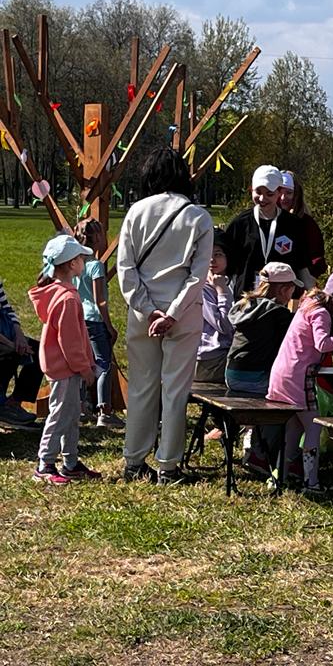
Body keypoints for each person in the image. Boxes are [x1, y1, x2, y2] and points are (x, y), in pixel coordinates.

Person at [118, 146, 213, 485]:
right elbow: (198, 276)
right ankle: (168, 466)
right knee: (175, 390)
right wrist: (171, 313)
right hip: (183, 313)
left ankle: (133, 460)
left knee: (142, 386)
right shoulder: (199, 217)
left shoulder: (135, 212)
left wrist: (147, 308)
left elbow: (125, 269)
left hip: (144, 313)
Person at [267, 286, 333, 494]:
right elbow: (322, 344)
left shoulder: (307, 308)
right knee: (313, 426)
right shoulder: (321, 312)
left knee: (294, 428)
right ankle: (311, 482)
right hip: (299, 378)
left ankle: (277, 476)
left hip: (283, 374)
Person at [29, 234, 99, 484]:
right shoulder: (68, 298)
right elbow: (69, 342)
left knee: (71, 414)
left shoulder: (60, 292)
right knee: (60, 414)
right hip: (66, 368)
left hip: (67, 367)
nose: (84, 261)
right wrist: (85, 368)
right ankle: (45, 464)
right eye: (81, 258)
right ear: (72, 264)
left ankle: (70, 462)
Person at [224, 165, 314, 299]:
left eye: (269, 194)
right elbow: (227, 267)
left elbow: (302, 268)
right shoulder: (240, 224)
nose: (262, 198)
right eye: (258, 192)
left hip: (282, 301)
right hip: (247, 300)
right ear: (251, 190)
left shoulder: (293, 225)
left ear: (279, 192)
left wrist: (314, 295)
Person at [72, 218, 123, 429]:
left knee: (85, 363)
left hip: (79, 319)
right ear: (99, 238)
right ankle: (105, 411)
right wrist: (109, 326)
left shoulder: (75, 264)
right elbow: (99, 300)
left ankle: (82, 406)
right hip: (95, 320)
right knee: (103, 365)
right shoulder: (95, 266)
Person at [225, 263, 297, 396]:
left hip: (231, 374)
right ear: (283, 290)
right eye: (293, 289)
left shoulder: (245, 304)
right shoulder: (278, 313)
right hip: (255, 378)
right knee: (295, 389)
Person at [0, 278, 43, 428]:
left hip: (6, 333)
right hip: (3, 339)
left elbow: (7, 309)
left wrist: (19, 337)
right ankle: (2, 406)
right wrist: (11, 345)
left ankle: (14, 402)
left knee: (38, 351)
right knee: (10, 354)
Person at [195, 229, 235, 384]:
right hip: (207, 360)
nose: (212, 260)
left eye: (218, 254)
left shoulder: (231, 282)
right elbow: (224, 325)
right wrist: (222, 291)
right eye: (207, 254)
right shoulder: (200, 287)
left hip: (222, 355)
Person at [279, 170, 327, 279]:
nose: (283, 198)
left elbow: (317, 258)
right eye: (280, 192)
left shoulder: (307, 224)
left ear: (296, 195)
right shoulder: (265, 221)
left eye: (289, 193)